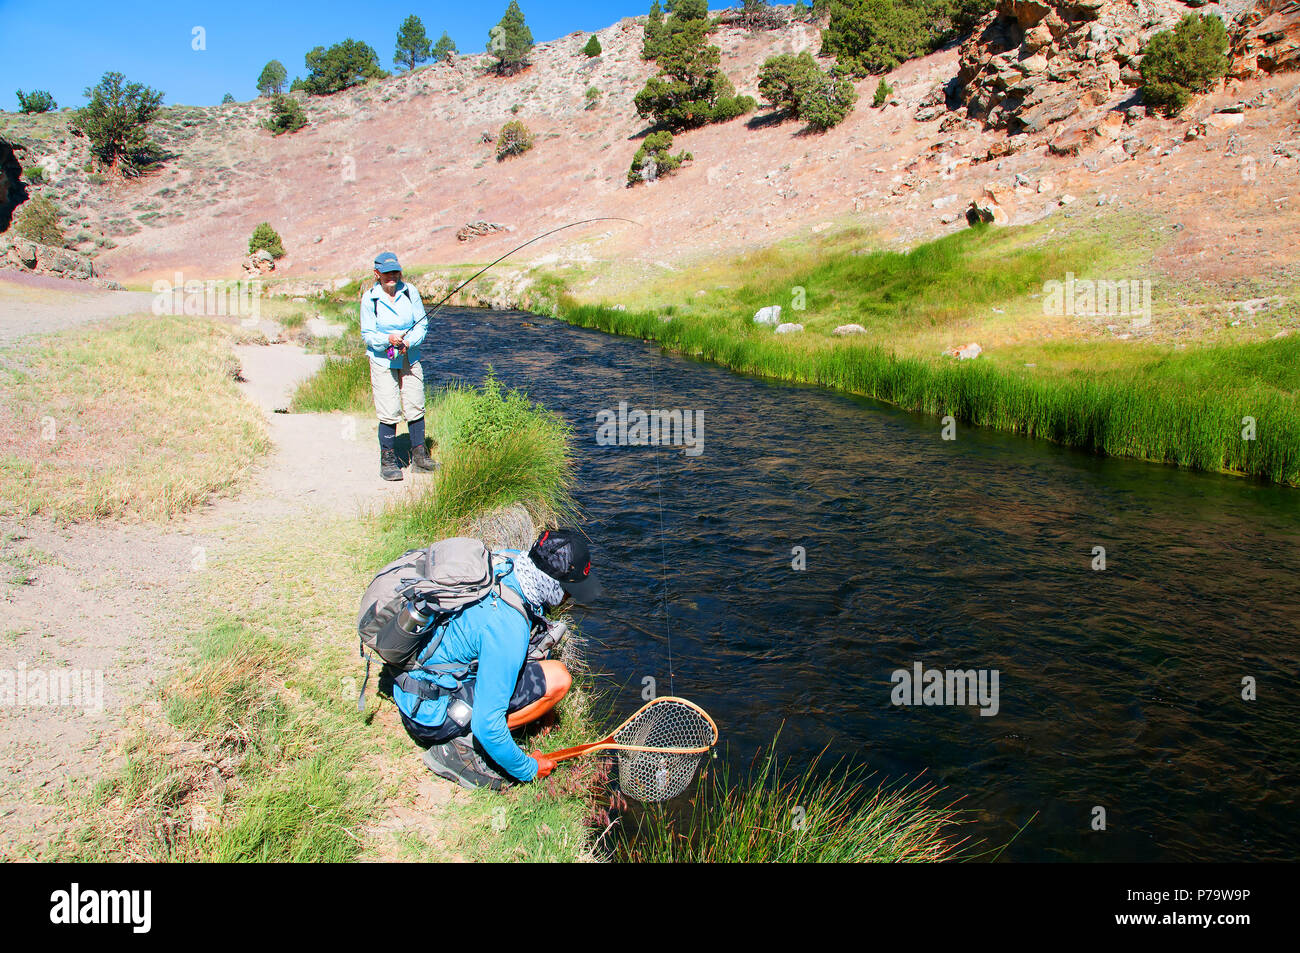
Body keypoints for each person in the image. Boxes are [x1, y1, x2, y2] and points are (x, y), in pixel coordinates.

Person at [392, 529, 603, 790]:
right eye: (569, 591)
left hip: (415, 682)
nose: (569, 598)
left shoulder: (509, 563)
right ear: (552, 584)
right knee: (558, 678)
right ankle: (463, 749)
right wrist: (529, 768)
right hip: (429, 714)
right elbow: (487, 726)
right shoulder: (508, 625)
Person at [360, 251, 438, 481]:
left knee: (416, 403)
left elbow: (422, 324)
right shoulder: (370, 299)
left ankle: (420, 459)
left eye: (395, 271)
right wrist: (388, 340)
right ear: (377, 274)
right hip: (383, 359)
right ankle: (388, 463)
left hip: (409, 355)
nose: (392, 276)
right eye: (386, 273)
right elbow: (368, 335)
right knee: (388, 408)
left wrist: (409, 342)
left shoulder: (410, 291)